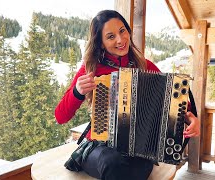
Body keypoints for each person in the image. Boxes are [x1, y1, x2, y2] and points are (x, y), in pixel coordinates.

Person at [55, 9, 200, 180]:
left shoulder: (144, 66)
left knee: (141, 164)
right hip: (99, 147)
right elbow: (61, 116)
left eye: (122, 31)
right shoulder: (92, 69)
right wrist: (77, 92)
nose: (120, 39)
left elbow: (176, 103)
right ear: (100, 43)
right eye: (110, 36)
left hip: (136, 149)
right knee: (113, 163)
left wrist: (191, 118)